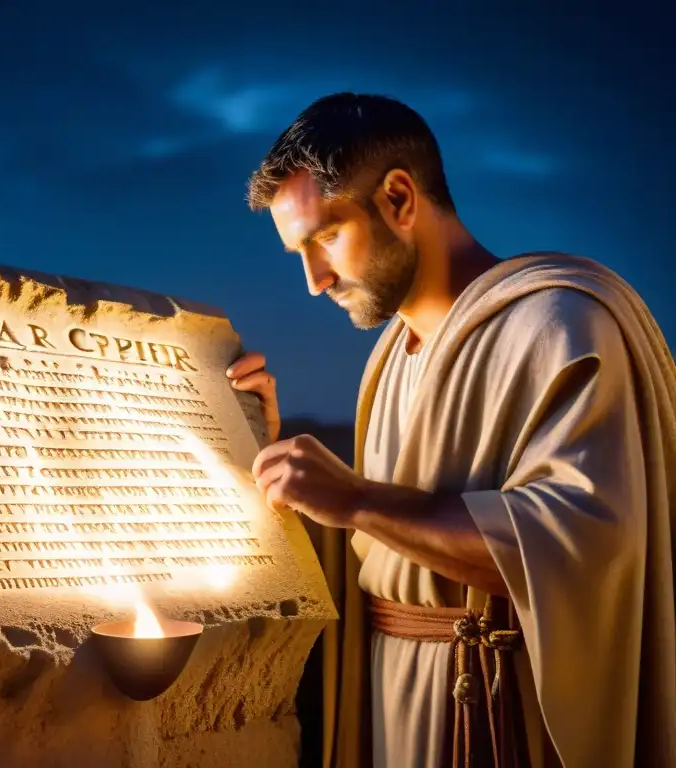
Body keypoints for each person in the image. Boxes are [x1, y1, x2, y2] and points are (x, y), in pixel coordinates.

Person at [227, 93, 676, 768]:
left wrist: (352, 499)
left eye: (325, 237)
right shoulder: (391, 357)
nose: (314, 281)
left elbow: (580, 545)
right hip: (393, 702)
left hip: (500, 711)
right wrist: (264, 453)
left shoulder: (563, 325)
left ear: (400, 198)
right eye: (300, 251)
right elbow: (384, 555)